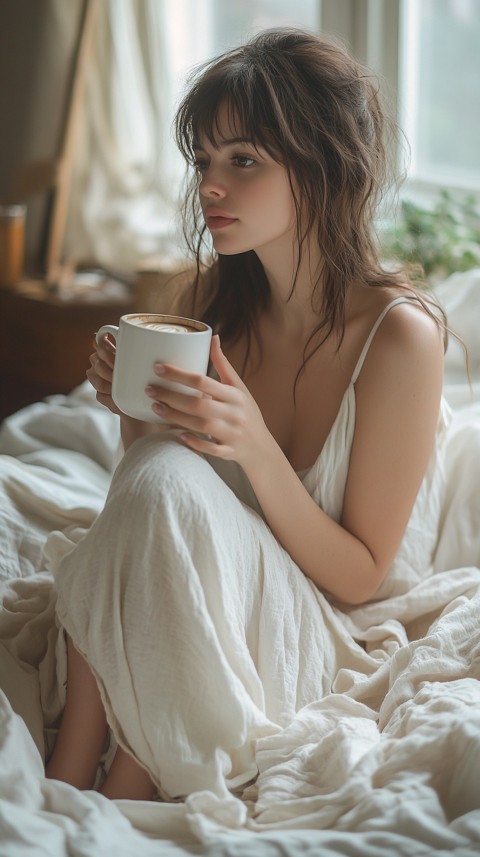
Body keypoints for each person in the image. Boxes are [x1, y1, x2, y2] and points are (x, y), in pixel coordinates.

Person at [45, 27, 447, 802]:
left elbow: (362, 577)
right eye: (203, 160)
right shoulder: (206, 303)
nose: (209, 187)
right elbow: (152, 491)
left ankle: (114, 771)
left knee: (162, 478)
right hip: (199, 585)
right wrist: (132, 409)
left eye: (243, 159)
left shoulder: (399, 338)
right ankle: (80, 761)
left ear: (324, 166)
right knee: (156, 472)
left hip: (314, 622)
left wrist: (256, 446)